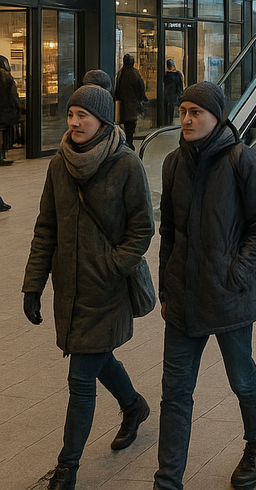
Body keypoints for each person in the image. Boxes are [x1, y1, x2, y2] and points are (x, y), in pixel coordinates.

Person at [22, 85, 154, 490]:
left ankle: (67, 468)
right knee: (97, 358)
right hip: (71, 288)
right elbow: (47, 227)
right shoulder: (58, 164)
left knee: (81, 376)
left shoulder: (126, 164)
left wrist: (114, 266)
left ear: (102, 120)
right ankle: (134, 406)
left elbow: (142, 228)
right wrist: (33, 285)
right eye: (71, 114)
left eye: (83, 115)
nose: (75, 122)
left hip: (108, 288)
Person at [156, 82, 256, 490]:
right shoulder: (174, 163)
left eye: (196, 112)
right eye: (183, 111)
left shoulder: (243, 161)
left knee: (241, 377)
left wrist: (237, 273)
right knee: (175, 393)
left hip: (229, 295)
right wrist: (166, 288)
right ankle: (168, 480)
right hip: (184, 296)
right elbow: (169, 233)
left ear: (217, 116)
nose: (187, 119)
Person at [114, 53, 147, 148]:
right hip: (133, 104)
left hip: (124, 104)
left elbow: (117, 88)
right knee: (130, 126)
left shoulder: (121, 73)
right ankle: (129, 143)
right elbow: (141, 88)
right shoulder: (135, 73)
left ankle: (127, 143)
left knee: (125, 125)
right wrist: (141, 98)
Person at [0, 54, 20, 166]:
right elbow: (14, 96)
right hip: (5, 110)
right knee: (4, 134)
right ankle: (2, 156)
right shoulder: (7, 77)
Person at [163, 59, 184, 125]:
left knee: (167, 107)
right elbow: (180, 84)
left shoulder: (166, 74)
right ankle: (170, 120)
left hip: (167, 93)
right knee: (171, 107)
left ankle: (167, 120)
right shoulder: (177, 74)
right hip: (174, 93)